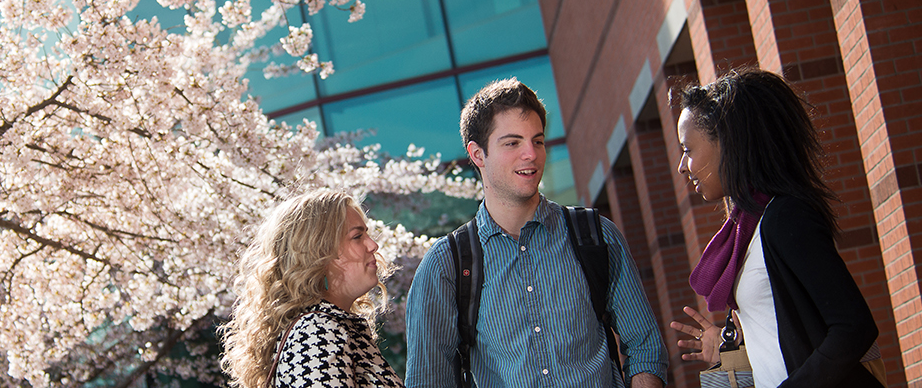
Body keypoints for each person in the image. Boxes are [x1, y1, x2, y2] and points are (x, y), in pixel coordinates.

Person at [405, 78, 668, 388]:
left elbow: (645, 347)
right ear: (477, 154)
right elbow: (428, 381)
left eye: (538, 140)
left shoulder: (595, 236)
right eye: (513, 143)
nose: (531, 153)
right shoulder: (445, 266)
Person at [667, 69, 882, 387]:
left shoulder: (784, 216)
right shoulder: (746, 228)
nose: (682, 166)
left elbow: (854, 327)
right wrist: (730, 343)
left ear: (727, 142)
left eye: (688, 149)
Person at [220, 189, 403, 388]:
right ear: (319, 253)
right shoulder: (317, 332)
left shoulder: (331, 326)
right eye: (357, 236)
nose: (373, 245)